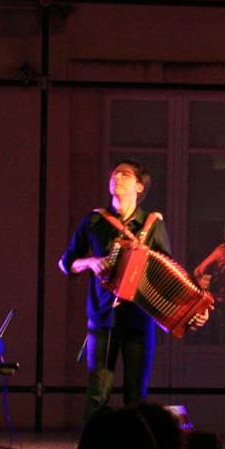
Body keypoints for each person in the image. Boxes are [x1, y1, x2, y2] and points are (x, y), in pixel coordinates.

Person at [60, 161, 172, 419]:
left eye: (125, 174)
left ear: (140, 186)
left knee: (136, 397)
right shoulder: (94, 220)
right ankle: (94, 444)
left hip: (139, 320)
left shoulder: (153, 224)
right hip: (102, 319)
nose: (117, 177)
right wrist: (91, 262)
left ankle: (134, 444)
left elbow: (166, 272)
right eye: (114, 174)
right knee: (97, 395)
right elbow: (65, 263)